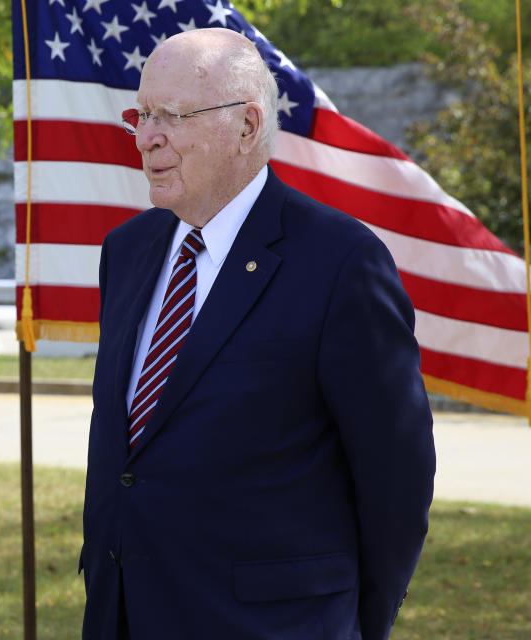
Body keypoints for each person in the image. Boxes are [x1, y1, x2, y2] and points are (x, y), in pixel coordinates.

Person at [81, 28, 435, 640]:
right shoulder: (127, 250)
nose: (147, 138)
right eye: (141, 115)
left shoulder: (341, 262)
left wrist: (353, 623)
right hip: (125, 615)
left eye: (172, 116)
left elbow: (397, 479)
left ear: (246, 126)